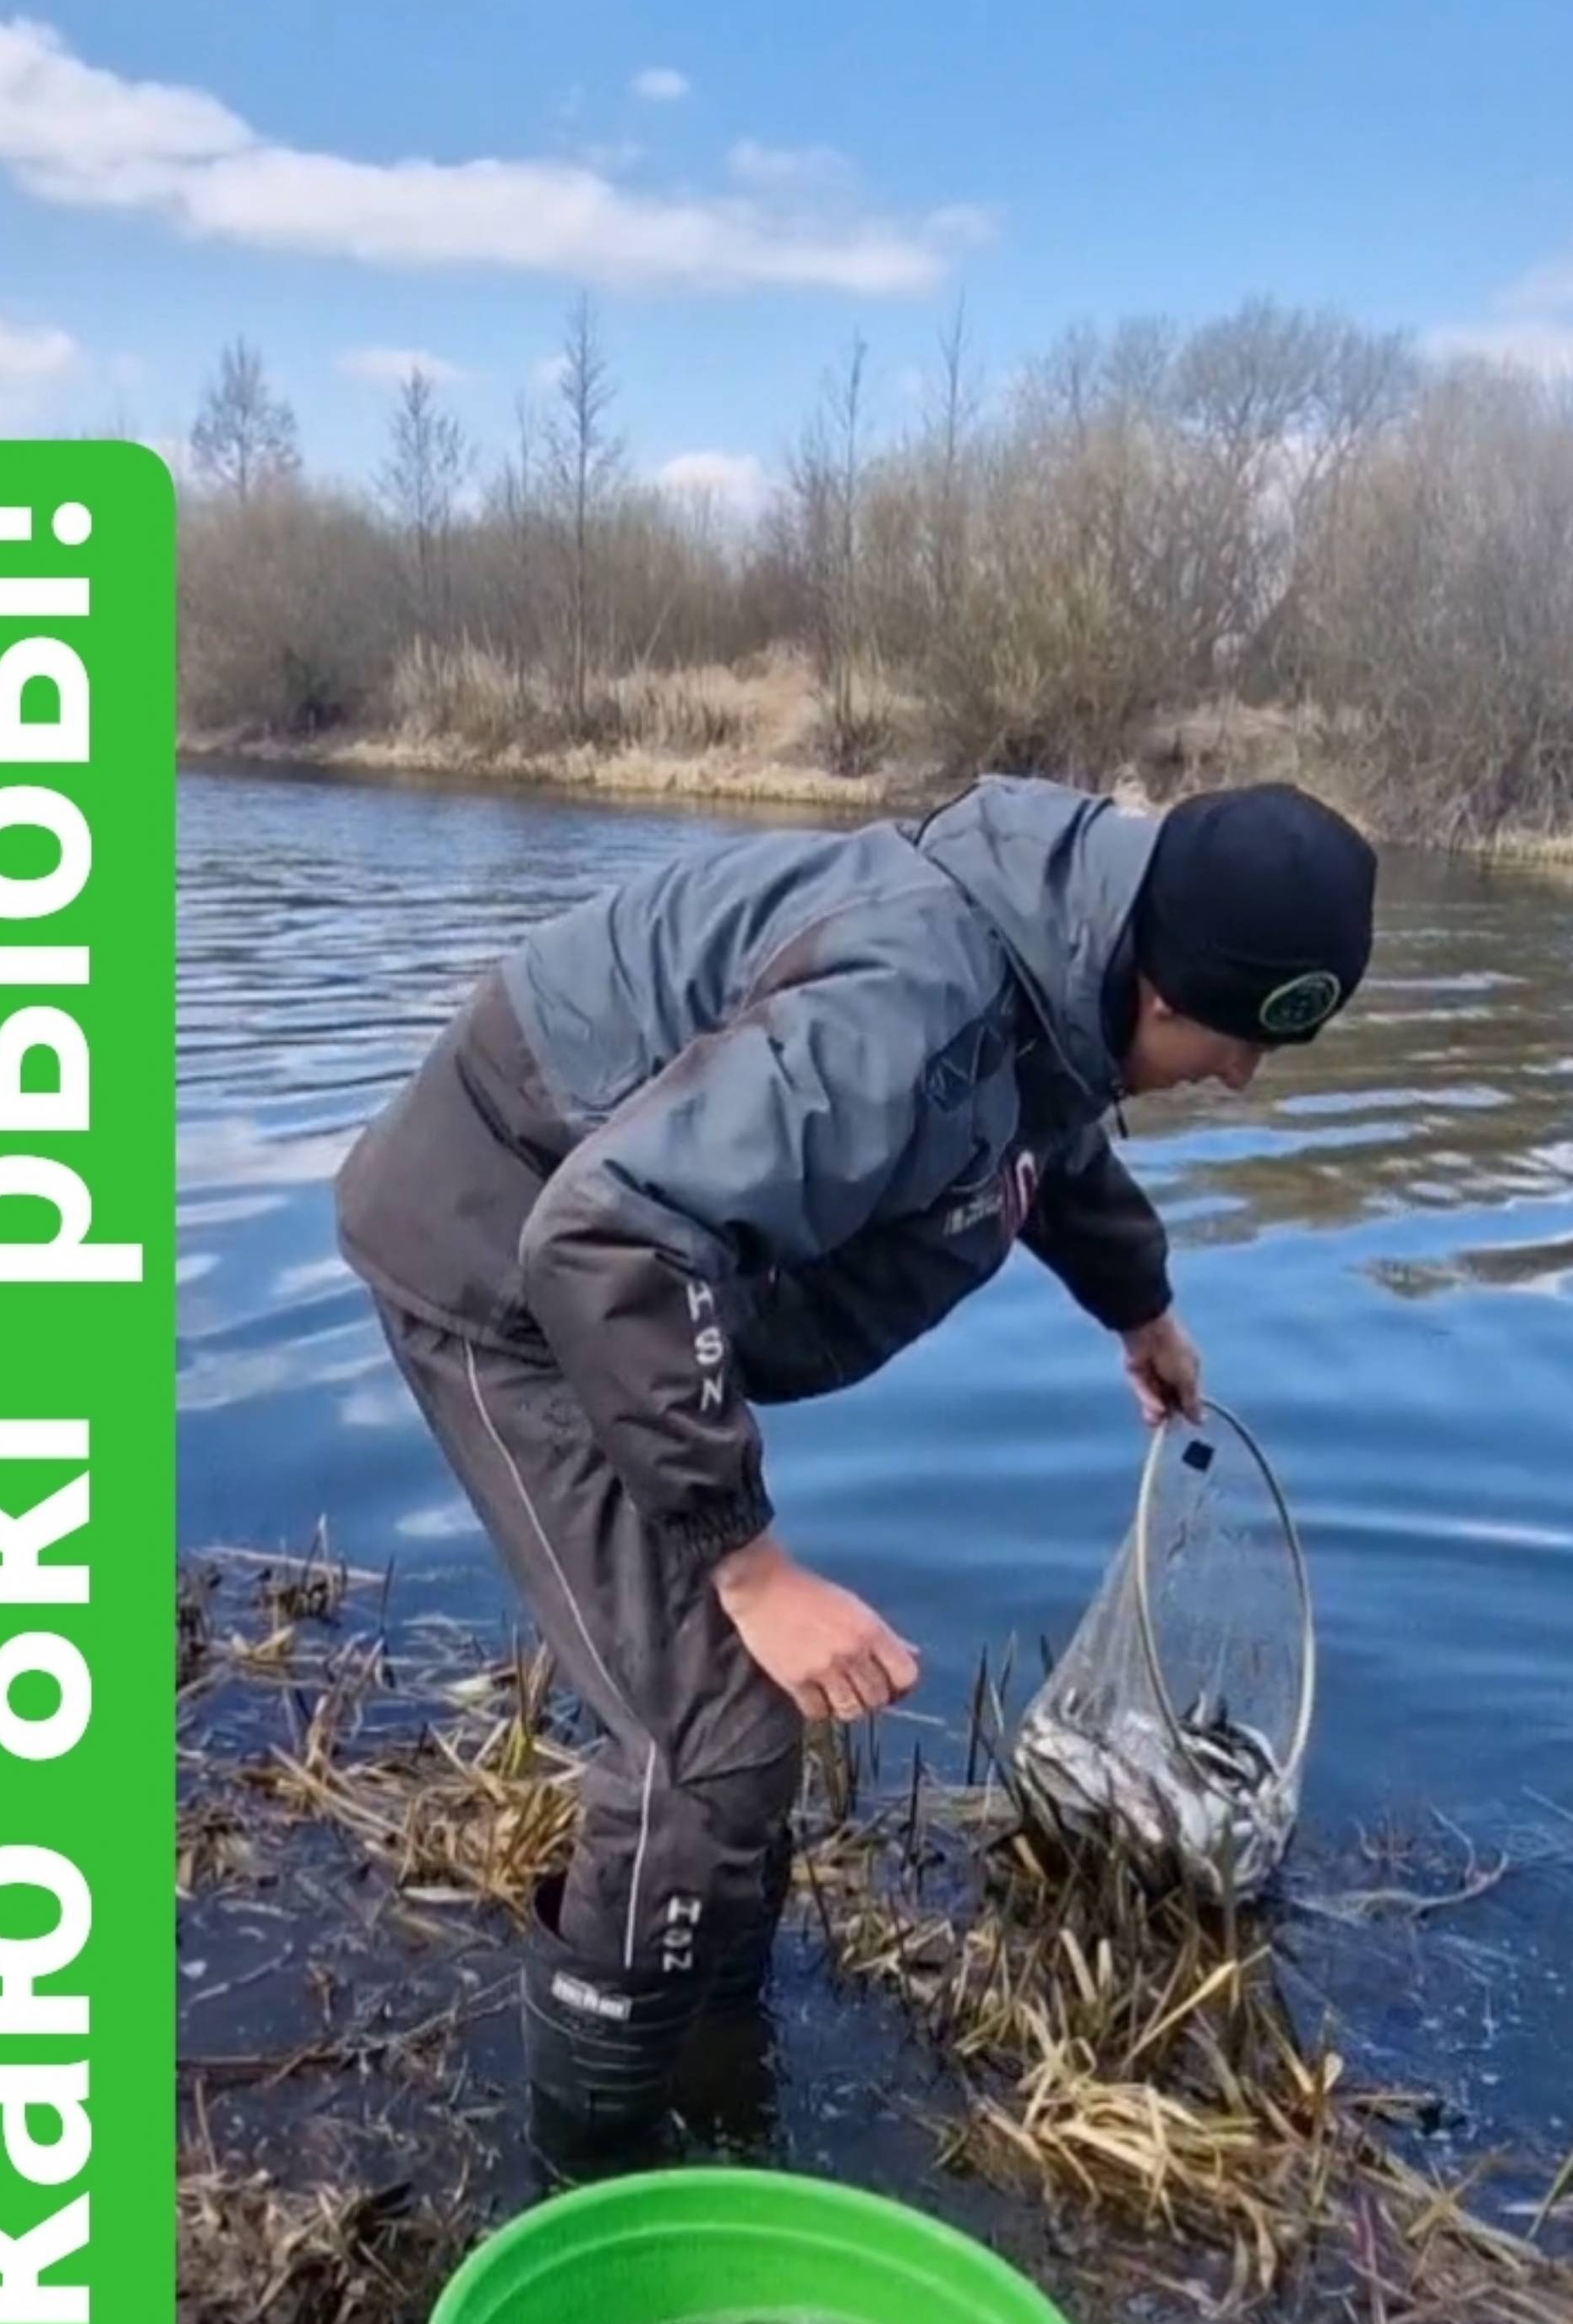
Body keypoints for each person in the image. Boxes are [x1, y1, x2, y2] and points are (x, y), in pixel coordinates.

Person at [336, 774, 1377, 2159]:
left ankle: (716, 2068)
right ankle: (587, 2174)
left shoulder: (1063, 962)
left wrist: (1140, 1310)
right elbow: (606, 1242)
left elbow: (1050, 1140)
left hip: (621, 1265)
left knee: (731, 1747)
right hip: (505, 1260)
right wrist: (749, 1568)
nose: (1237, 1077)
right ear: (1158, 984)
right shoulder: (911, 1005)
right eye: (1230, 1041)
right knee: (709, 1745)